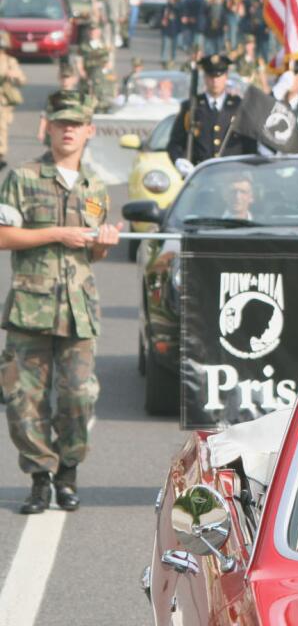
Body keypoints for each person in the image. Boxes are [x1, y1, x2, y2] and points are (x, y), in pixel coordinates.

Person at [0, 97, 123, 515]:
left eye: (76, 124)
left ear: (89, 130)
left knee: (79, 397)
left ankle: (67, 475)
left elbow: (90, 251)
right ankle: (39, 480)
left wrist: (103, 244)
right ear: (47, 128)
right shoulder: (21, 178)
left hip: (78, 310)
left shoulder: (95, 187)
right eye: (60, 123)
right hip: (30, 309)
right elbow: (3, 236)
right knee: (22, 399)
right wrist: (57, 233)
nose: (68, 130)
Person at [166, 54, 257, 171]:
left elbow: (250, 144)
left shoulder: (238, 106)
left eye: (219, 76)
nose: (215, 81)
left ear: (226, 77)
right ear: (204, 77)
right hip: (201, 175)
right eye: (211, 76)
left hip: (233, 175)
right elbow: (175, 144)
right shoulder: (191, 106)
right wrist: (179, 161)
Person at [260, 60, 298, 154]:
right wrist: (279, 89)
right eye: (283, 76)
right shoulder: (271, 103)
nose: (287, 79)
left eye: (292, 75)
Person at [0, 48, 26, 171]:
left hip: (3, 101)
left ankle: (0, 154)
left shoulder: (10, 62)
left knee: (1, 126)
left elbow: (22, 80)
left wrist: (14, 75)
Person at [160, 0, 181, 68]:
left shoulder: (178, 7)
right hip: (166, 29)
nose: (171, 1)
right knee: (165, 45)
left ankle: (173, 59)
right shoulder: (165, 7)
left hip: (175, 29)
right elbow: (162, 17)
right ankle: (164, 59)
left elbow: (179, 12)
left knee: (174, 47)